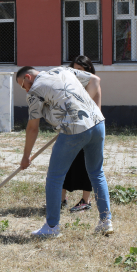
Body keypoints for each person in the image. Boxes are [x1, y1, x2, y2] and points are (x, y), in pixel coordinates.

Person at [16, 65, 113, 237]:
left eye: (22, 85)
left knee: (55, 177)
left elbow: (32, 128)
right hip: (97, 122)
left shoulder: (34, 92)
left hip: (74, 129)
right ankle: (106, 221)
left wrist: (26, 157)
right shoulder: (62, 70)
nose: (25, 90)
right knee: (97, 172)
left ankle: (52, 227)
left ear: (28, 77)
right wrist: (84, 110)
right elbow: (95, 80)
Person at [62, 56, 95, 212]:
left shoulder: (93, 84)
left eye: (79, 70)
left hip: (87, 130)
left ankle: (85, 201)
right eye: (73, 70)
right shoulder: (69, 86)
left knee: (86, 165)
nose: (76, 74)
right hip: (70, 129)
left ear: (87, 71)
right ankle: (61, 199)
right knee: (63, 163)